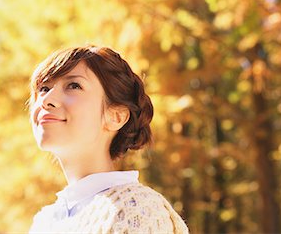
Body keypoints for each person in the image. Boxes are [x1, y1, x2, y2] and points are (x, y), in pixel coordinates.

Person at [28, 45, 189, 233]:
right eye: (44, 88)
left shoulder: (137, 210)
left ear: (117, 116)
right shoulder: (45, 221)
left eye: (74, 85)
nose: (47, 99)